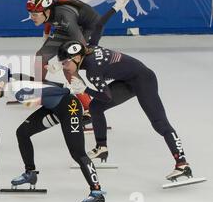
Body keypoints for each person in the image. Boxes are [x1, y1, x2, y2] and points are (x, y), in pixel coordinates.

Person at [56, 41, 193, 181]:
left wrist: (85, 90)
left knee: (160, 123)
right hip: (127, 80)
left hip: (144, 80)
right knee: (95, 107)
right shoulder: (89, 49)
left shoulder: (93, 71)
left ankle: (182, 164)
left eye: (65, 63)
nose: (64, 67)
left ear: (78, 58)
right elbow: (96, 29)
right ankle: (101, 147)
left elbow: (107, 97)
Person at [0, 65, 109, 202]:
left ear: (0, 83)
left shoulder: (18, 90)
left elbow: (54, 90)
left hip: (69, 107)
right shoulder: (14, 85)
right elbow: (45, 84)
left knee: (77, 153)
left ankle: (96, 192)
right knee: (22, 132)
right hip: (54, 108)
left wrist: (66, 90)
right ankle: (30, 173)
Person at [26, 0, 131, 123]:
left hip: (87, 29)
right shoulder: (50, 11)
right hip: (66, 27)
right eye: (31, 14)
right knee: (41, 55)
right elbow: (49, 21)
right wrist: (46, 35)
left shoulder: (64, 15)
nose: (32, 17)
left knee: (69, 69)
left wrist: (61, 64)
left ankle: (89, 110)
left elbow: (81, 47)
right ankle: (38, 90)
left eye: (35, 14)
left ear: (46, 11)